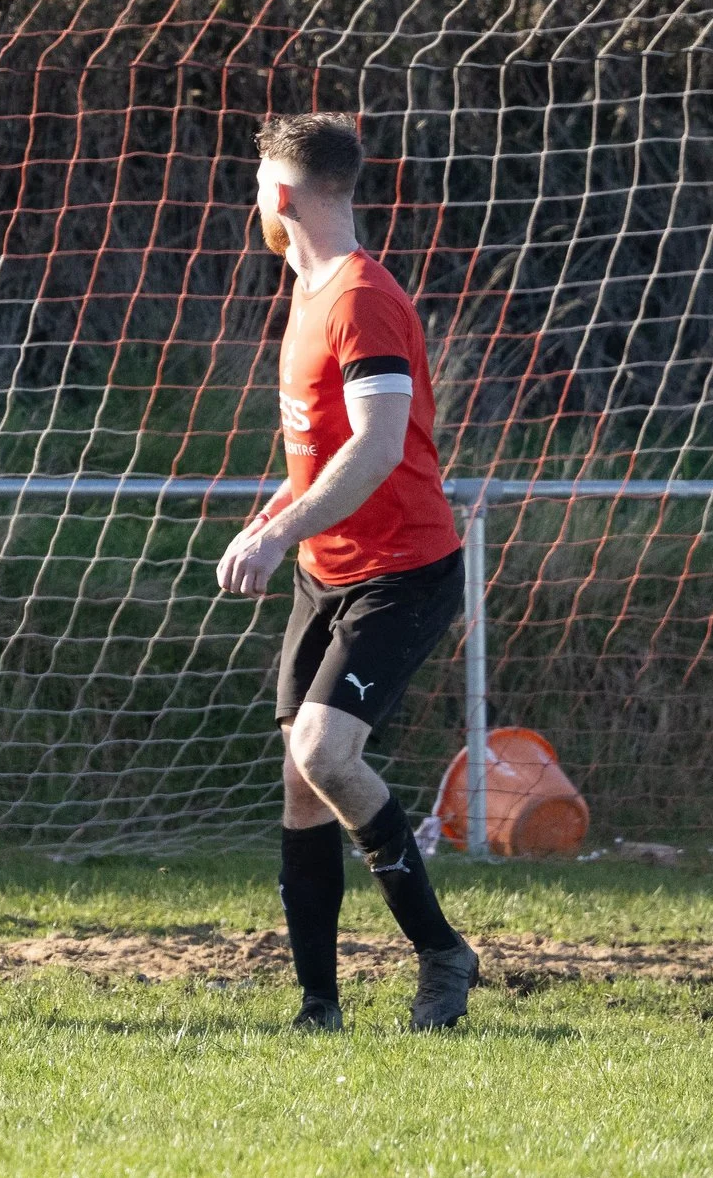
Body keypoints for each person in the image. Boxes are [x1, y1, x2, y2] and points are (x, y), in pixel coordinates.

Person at [215, 112, 480, 1032]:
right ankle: (317, 1006)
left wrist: (277, 532)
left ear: (280, 197)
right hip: (328, 572)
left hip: (403, 569)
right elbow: (319, 446)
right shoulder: (308, 286)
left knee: (326, 752)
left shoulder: (363, 298)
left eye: (257, 184)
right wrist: (280, 520)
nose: (251, 199)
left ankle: (443, 955)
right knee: (301, 776)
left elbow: (373, 450)